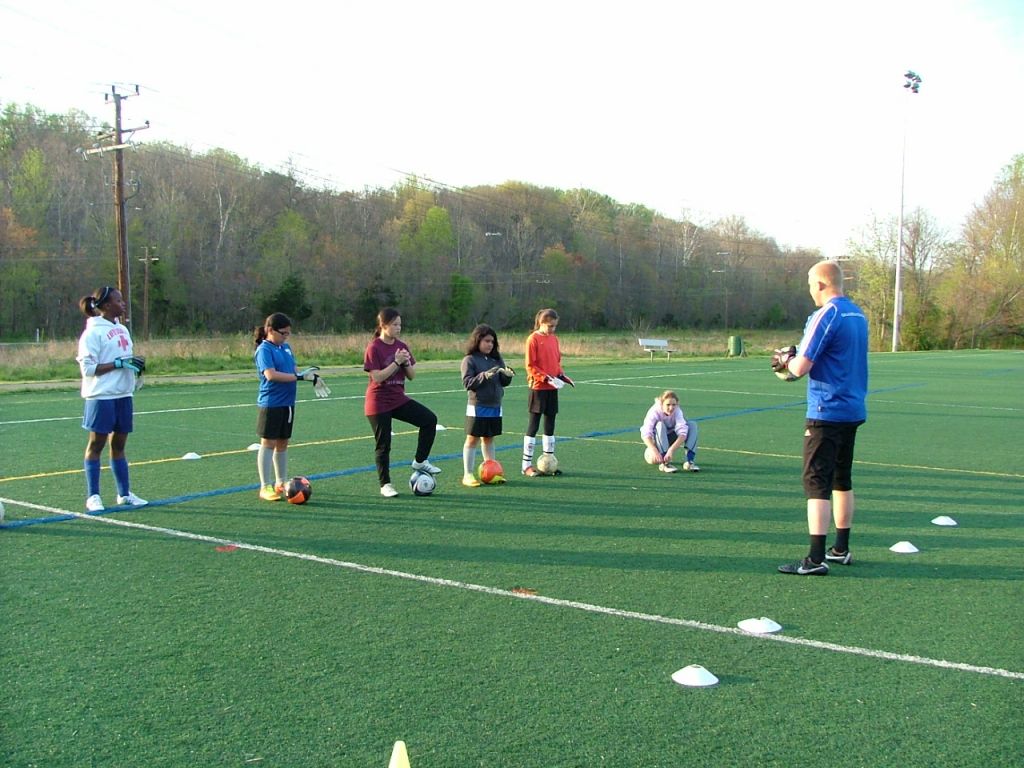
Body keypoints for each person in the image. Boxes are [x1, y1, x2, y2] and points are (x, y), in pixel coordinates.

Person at [775, 260, 868, 576]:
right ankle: (841, 548)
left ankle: (815, 558)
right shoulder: (858, 314)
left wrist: (784, 364)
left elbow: (801, 366)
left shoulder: (827, 313)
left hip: (827, 410)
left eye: (811, 285)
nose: (810, 291)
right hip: (852, 408)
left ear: (821, 284)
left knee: (816, 483)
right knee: (842, 478)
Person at [76, 285, 147, 512]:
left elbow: (125, 359)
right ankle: (93, 496)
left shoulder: (123, 329)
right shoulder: (92, 333)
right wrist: (117, 364)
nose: (123, 303)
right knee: (96, 444)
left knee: (119, 444)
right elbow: (88, 368)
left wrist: (135, 368)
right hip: (101, 396)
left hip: (123, 395)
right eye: (118, 300)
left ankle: (124, 493)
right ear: (106, 306)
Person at [364, 308, 442, 497]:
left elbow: (412, 376)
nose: (399, 328)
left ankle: (420, 461)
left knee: (429, 420)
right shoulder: (374, 347)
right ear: (383, 326)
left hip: (398, 399)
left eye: (400, 324)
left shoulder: (402, 345)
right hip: (378, 402)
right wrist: (396, 362)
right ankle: (386, 485)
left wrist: (406, 362)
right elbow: (377, 377)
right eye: (395, 324)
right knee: (384, 444)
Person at [253, 312, 330, 501]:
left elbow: (294, 370)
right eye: (283, 333)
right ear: (270, 330)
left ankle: (281, 482)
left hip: (288, 403)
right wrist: (299, 377)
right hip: (271, 403)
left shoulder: (285, 348)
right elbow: (271, 375)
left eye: (288, 333)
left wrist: (310, 375)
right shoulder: (264, 350)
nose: (286, 337)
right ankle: (265, 486)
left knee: (282, 443)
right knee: (268, 443)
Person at [460, 324, 515, 487]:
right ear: (478, 341)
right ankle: (468, 474)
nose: (490, 344)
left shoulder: (497, 359)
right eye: (486, 341)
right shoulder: (469, 359)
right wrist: (485, 375)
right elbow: (467, 383)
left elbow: (502, 382)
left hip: (495, 405)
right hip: (477, 405)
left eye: (492, 341)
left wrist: (507, 376)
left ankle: (492, 473)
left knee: (489, 438)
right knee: (472, 439)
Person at [522, 308, 573, 477]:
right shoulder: (533, 339)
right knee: (533, 424)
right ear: (541, 322)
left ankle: (548, 461)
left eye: (555, 326)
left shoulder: (554, 339)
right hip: (538, 387)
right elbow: (531, 366)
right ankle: (526, 465)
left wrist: (562, 376)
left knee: (550, 424)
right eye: (550, 325)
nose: (552, 329)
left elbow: (556, 362)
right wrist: (545, 378)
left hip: (552, 388)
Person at [640, 390, 700, 473]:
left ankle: (689, 462)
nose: (671, 408)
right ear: (662, 404)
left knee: (692, 425)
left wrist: (671, 450)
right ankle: (664, 463)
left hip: (671, 440)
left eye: (674, 405)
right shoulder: (654, 412)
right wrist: (654, 450)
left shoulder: (678, 411)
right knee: (660, 425)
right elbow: (645, 433)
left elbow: (683, 433)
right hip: (656, 444)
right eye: (668, 405)